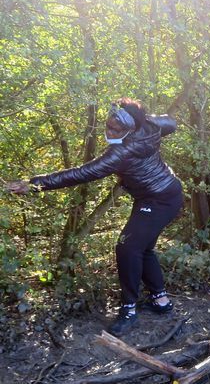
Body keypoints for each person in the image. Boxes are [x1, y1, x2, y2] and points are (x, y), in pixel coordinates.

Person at [5, 98, 182, 336]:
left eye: (115, 129)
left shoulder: (122, 151)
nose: (108, 132)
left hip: (160, 199)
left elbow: (82, 173)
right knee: (143, 247)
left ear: (130, 128)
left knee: (127, 248)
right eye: (108, 126)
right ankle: (160, 301)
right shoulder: (150, 126)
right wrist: (149, 120)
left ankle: (129, 309)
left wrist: (34, 184)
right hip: (159, 194)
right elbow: (171, 123)